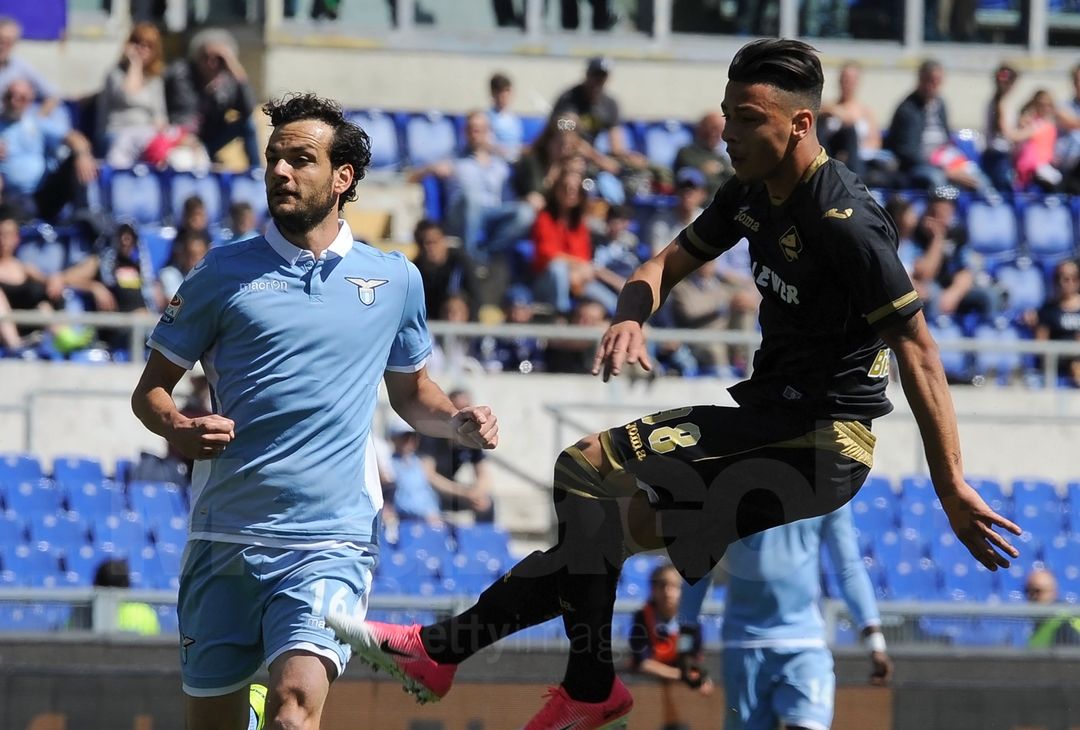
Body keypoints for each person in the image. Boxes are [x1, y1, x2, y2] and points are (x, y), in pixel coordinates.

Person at [327, 39, 1020, 730]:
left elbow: (921, 352)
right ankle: (447, 653)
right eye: (726, 113)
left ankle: (582, 684)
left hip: (819, 443)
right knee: (597, 543)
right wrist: (631, 316)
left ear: (800, 125)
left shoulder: (845, 222)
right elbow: (662, 263)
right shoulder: (751, 192)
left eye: (748, 118)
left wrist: (951, 485)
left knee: (584, 468)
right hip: (773, 421)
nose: (728, 132)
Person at [129, 92, 499, 730]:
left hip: (330, 538)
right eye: (274, 158)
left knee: (294, 708)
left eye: (300, 159)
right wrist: (181, 428)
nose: (280, 171)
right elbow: (150, 391)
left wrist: (455, 421)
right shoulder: (221, 273)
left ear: (342, 177)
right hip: (225, 536)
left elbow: (413, 394)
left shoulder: (393, 280)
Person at [676, 502, 892, 730]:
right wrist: (685, 639)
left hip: (804, 644)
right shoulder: (725, 485)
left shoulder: (828, 486)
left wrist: (874, 639)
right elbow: (699, 565)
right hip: (743, 645)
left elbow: (848, 567)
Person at [626, 562, 713, 730]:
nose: (667, 592)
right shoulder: (643, 617)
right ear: (653, 589)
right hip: (648, 686)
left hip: (679, 690)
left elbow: (694, 660)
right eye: (661, 585)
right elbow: (643, 663)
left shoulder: (690, 623)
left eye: (674, 586)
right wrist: (681, 675)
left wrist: (697, 678)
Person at [0, 77, 98, 223]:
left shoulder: (38, 123)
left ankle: (86, 214)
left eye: (21, 98)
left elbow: (76, 138)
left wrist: (82, 155)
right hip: (12, 196)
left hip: (44, 192)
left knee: (76, 160)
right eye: (10, 96)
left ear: (29, 101)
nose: (14, 101)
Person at [164, 28, 261, 170]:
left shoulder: (228, 81)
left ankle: (257, 172)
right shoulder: (182, 76)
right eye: (206, 57)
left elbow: (248, 108)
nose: (211, 63)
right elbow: (184, 116)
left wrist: (234, 67)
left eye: (218, 59)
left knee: (248, 124)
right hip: (183, 138)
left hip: (211, 138)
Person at [96, 22, 170, 168]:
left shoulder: (155, 81)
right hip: (117, 133)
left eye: (148, 46)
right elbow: (129, 95)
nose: (142, 49)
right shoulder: (115, 74)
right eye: (138, 43)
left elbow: (160, 116)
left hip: (146, 136)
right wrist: (135, 64)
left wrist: (160, 130)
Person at [418, 388, 495, 523]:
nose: (465, 416)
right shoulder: (432, 434)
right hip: (429, 490)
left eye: (468, 409)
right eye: (460, 409)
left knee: (486, 503)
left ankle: (482, 542)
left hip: (453, 490)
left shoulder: (470, 438)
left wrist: (477, 493)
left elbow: (483, 474)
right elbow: (429, 476)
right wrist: (464, 493)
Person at [1032, 258, 1080, 388]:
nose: (1068, 282)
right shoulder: (1048, 309)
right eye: (1063, 278)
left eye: (1073, 278)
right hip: (1057, 363)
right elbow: (1040, 342)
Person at [0, 16, 60, 116]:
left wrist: (35, 122)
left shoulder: (20, 67)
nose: (2, 46)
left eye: (8, 42)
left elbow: (53, 95)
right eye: (0, 40)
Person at [672, 110, 734, 198]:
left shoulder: (722, 157)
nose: (714, 134)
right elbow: (691, 176)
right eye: (712, 128)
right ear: (700, 128)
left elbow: (731, 175)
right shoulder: (687, 153)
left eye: (719, 130)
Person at [1025, 568, 1080, 647]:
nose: (1032, 596)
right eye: (1027, 591)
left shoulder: (1065, 623)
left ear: (1053, 592)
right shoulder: (1041, 624)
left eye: (1037, 591)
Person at [487, 72, 523, 162]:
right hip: (497, 161)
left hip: (516, 160)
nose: (504, 96)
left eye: (507, 91)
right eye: (500, 92)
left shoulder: (515, 119)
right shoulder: (487, 118)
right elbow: (487, 145)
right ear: (493, 93)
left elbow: (518, 143)